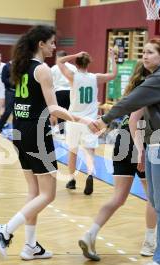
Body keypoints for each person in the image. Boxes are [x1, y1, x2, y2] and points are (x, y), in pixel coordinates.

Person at [89, 38, 160, 265]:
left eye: (150, 52)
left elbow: (130, 101)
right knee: (156, 201)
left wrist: (104, 119)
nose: (144, 56)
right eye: (143, 52)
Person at [0, 25, 90, 260]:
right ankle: (5, 231)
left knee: (34, 191)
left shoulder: (20, 66)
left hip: (19, 131)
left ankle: (30, 246)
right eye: (52, 42)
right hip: (36, 133)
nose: (55, 47)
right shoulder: (42, 69)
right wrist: (82, 119)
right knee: (48, 194)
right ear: (41, 44)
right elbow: (53, 107)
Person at [78, 61, 157, 261]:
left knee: (118, 198)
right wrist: (140, 150)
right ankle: (149, 243)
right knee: (153, 199)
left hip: (121, 140)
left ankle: (91, 234)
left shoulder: (132, 88)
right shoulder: (152, 87)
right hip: (138, 141)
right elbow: (135, 122)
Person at [58, 51, 117, 195]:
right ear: (88, 63)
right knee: (89, 152)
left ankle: (72, 180)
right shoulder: (95, 78)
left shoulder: (72, 76)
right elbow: (113, 74)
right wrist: (112, 59)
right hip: (90, 121)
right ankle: (90, 175)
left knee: (73, 151)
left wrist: (75, 54)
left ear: (76, 64)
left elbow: (59, 61)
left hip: (74, 120)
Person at [51, 50, 77, 135]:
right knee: (69, 113)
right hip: (71, 92)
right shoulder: (73, 67)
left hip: (59, 92)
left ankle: (62, 132)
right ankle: (70, 132)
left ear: (58, 57)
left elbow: (50, 82)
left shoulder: (54, 68)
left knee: (61, 113)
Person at [0, 60, 14, 134]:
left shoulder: (20, 66)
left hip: (19, 92)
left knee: (17, 112)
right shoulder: (6, 66)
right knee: (8, 111)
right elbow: (3, 79)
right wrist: (13, 81)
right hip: (9, 91)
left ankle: (15, 129)